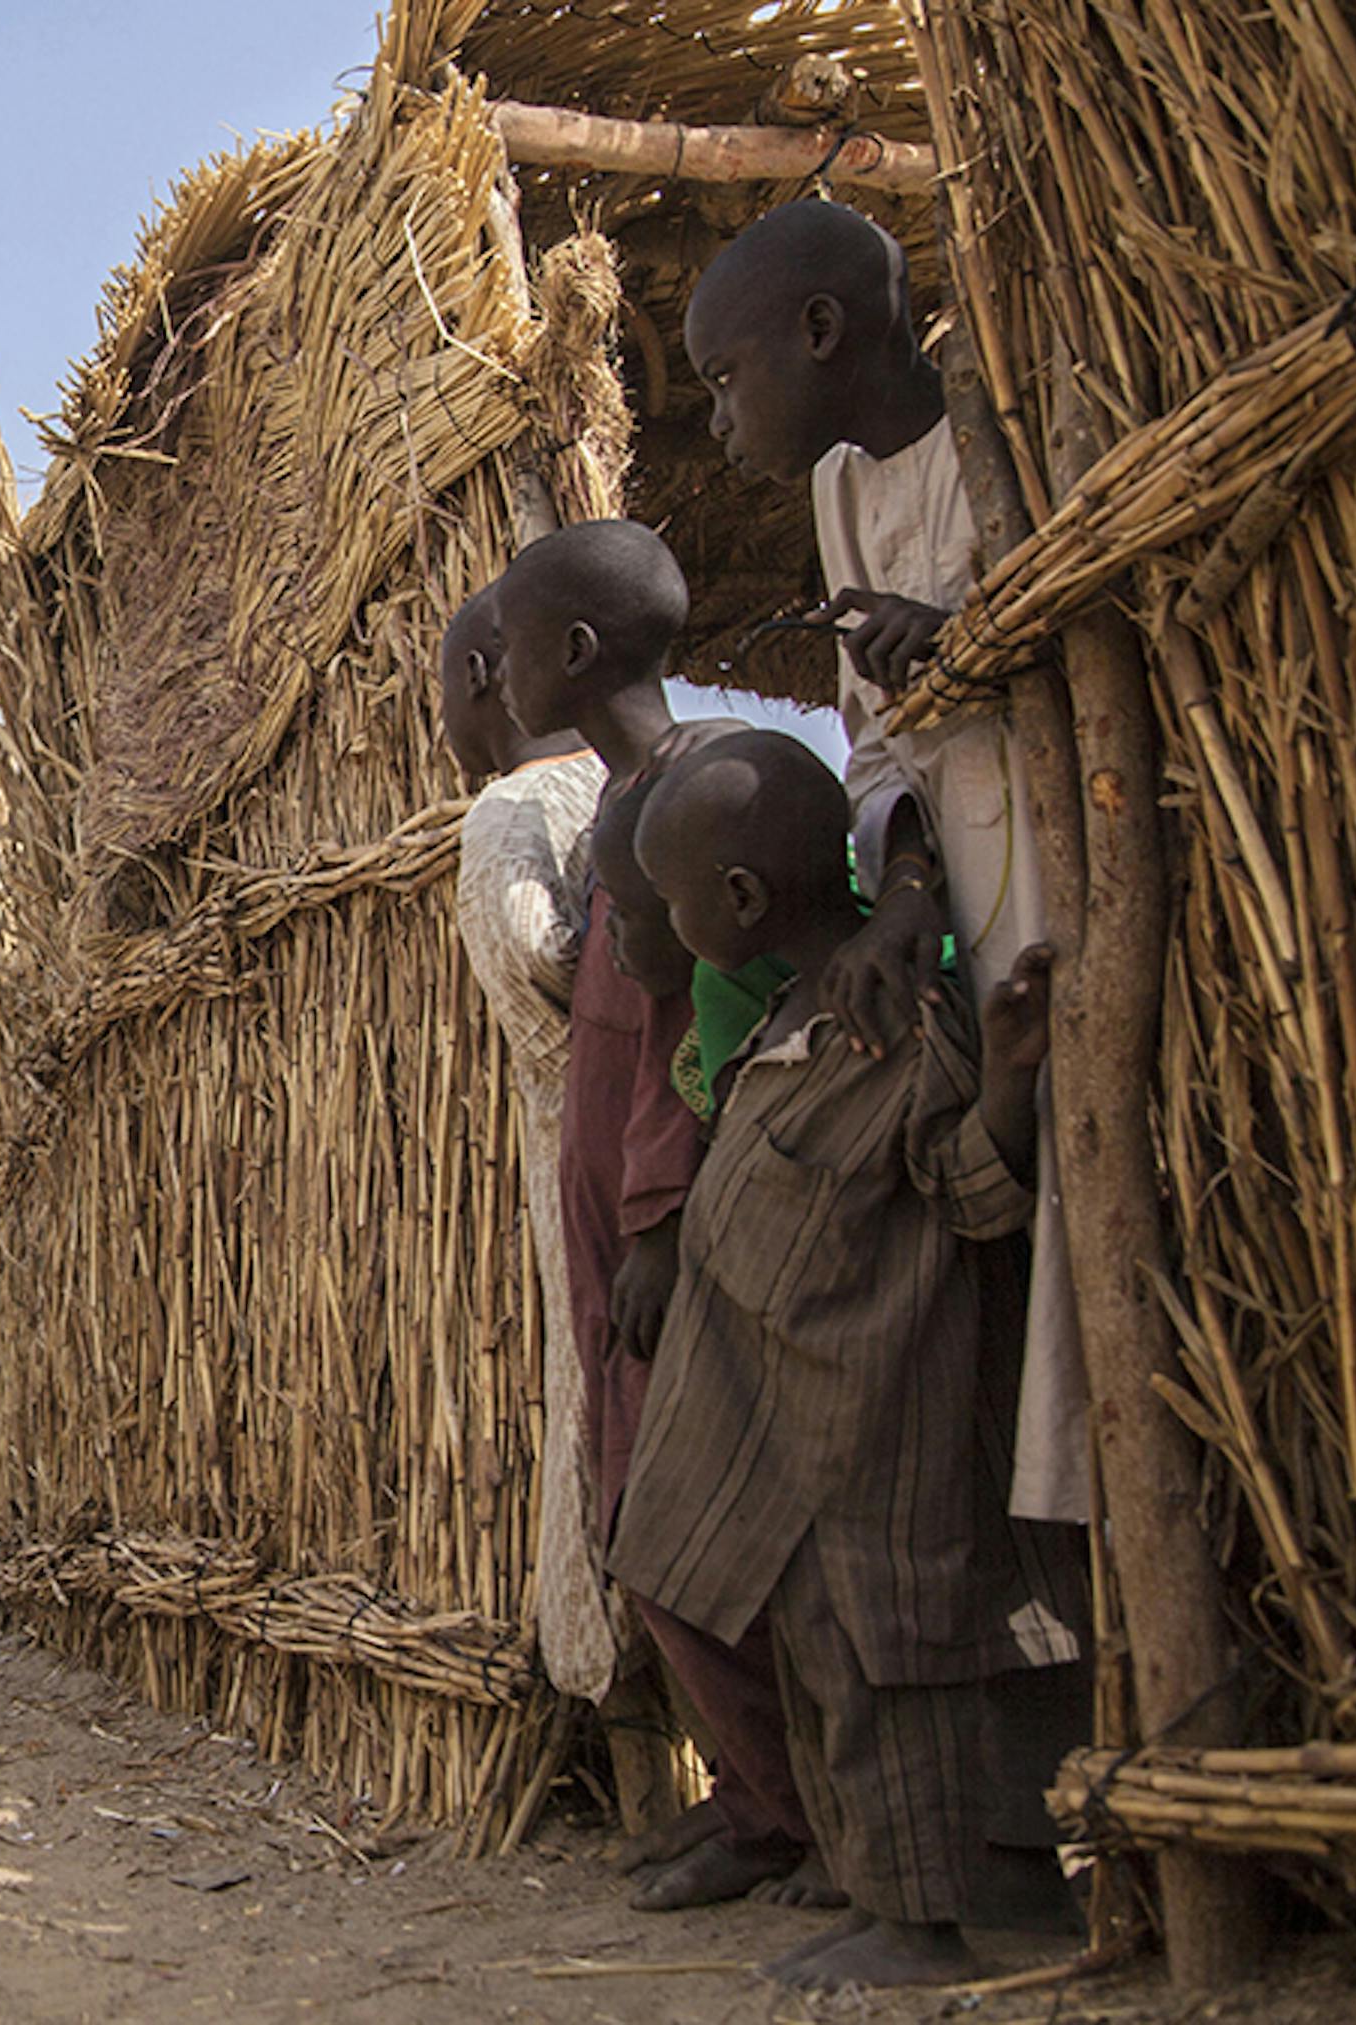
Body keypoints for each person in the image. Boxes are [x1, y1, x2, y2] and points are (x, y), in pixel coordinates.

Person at [685, 202, 1091, 1925]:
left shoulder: (1005, 425)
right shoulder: (842, 494)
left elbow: (1068, 634)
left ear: (829, 332)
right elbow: (886, 739)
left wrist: (984, 638)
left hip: (1072, 893)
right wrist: (901, 896)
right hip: (965, 920)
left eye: (723, 376)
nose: (713, 419)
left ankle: (1037, 1827)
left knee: (1072, 1345)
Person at [608, 730, 1055, 1990]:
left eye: (676, 901)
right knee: (826, 1658)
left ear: (738, 900)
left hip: (872, 1409)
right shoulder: (802, 1017)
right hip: (784, 1416)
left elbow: (966, 1192)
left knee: (888, 1661)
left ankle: (917, 1924)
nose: (669, 925)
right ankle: (896, 1890)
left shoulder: (895, 1026)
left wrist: (1012, 1088)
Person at [493, 521, 824, 1915]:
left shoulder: (691, 806)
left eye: (500, 643)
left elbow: (703, 1037)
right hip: (630, 1243)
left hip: (671, 1247)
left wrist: (661, 1223)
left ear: (570, 653)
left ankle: (792, 1813)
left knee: (679, 1525)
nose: (488, 668)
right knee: (653, 1519)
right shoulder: (635, 805)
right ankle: (757, 1801)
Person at [434, 584, 619, 1706]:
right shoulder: (626, 789)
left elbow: (539, 961)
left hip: (580, 1148)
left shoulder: (510, 814)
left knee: (595, 1402)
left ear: (480, 683)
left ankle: (605, 1675)